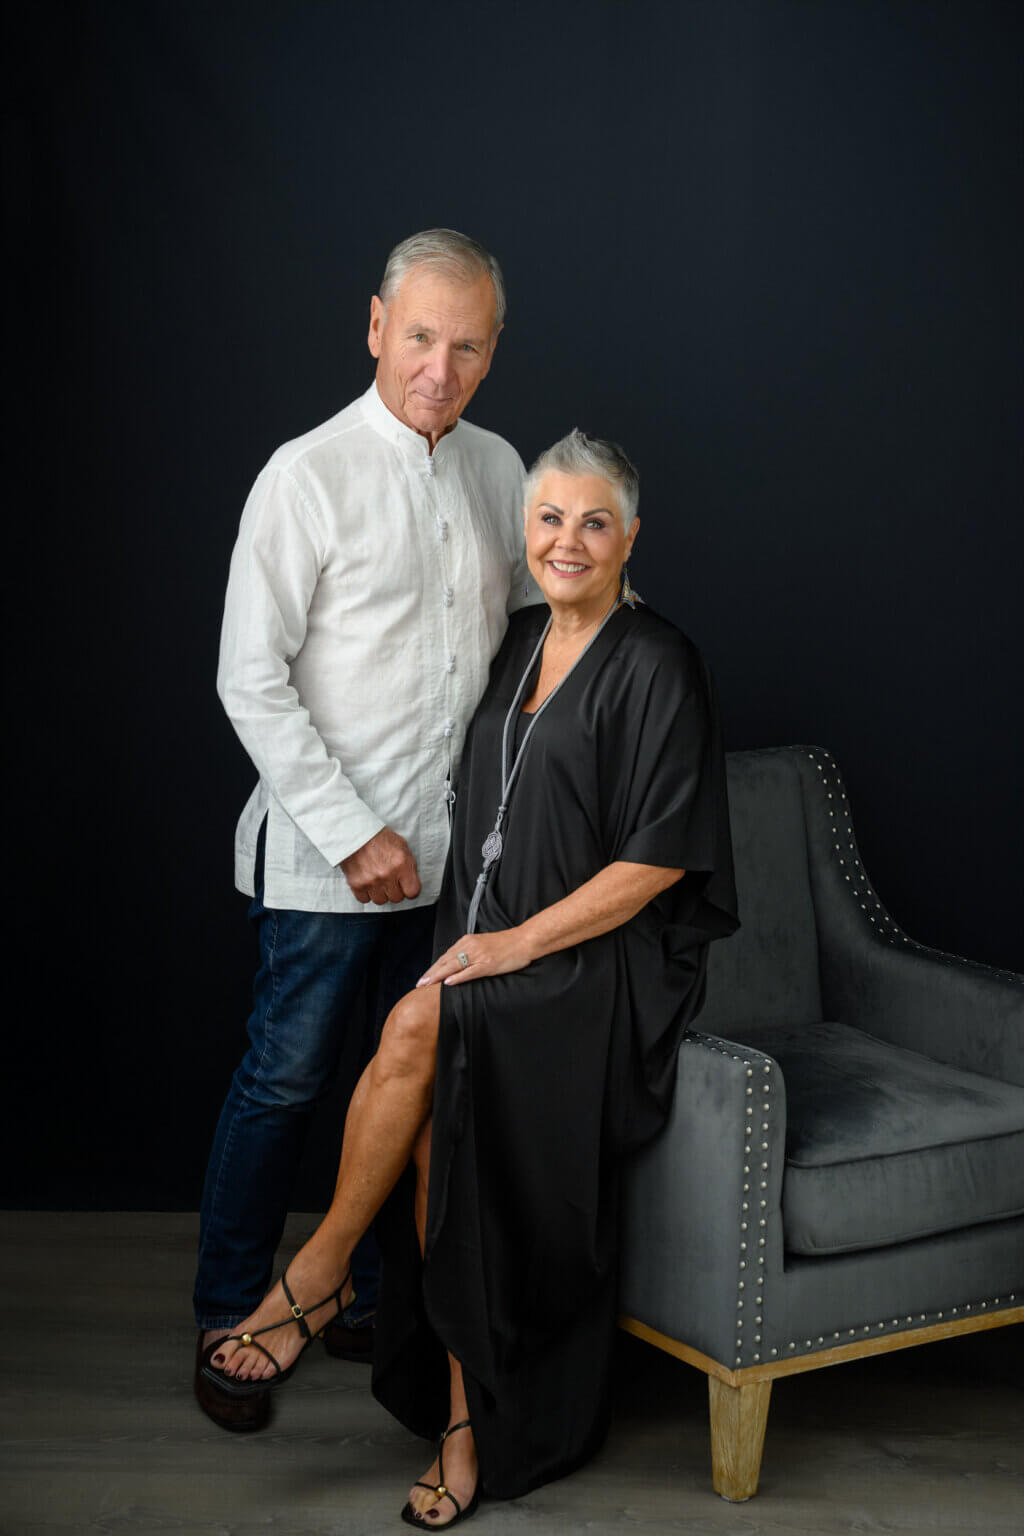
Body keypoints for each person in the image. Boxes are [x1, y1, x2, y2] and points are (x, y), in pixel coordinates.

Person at [203, 430, 738, 1521]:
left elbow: (655, 863)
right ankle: (462, 1418)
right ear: (523, 534)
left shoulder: (658, 662)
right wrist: (476, 938)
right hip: (489, 952)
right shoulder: (517, 644)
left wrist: (507, 945)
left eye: (595, 521)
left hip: (596, 972)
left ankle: (315, 1278)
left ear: (630, 535)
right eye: (548, 519)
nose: (568, 540)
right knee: (441, 1104)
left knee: (415, 1028)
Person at [194, 228, 540, 1434]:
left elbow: (554, 619)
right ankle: (233, 1309)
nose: (438, 367)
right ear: (376, 327)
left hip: (456, 873)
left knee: (409, 1094)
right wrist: (351, 833)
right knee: (286, 1083)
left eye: (467, 345)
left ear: (492, 356)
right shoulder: (307, 473)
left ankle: (371, 1305)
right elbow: (249, 678)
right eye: (421, 337)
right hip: (322, 857)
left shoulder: (503, 470)